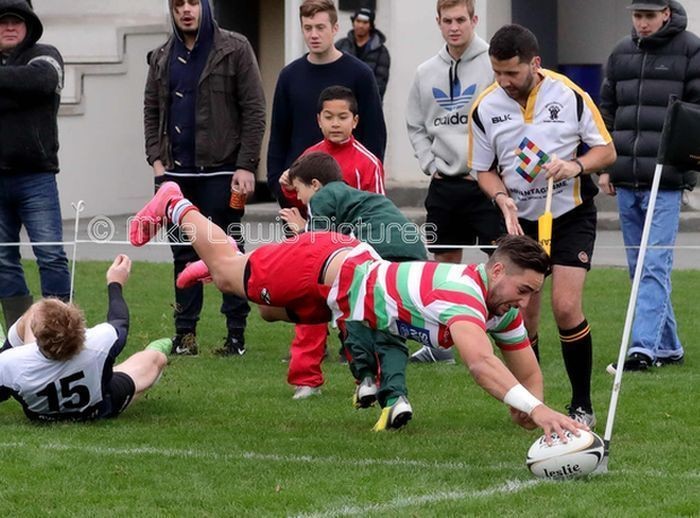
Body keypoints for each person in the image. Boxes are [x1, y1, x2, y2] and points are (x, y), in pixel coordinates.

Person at [129, 181, 589, 441]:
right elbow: (481, 362)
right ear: (495, 270)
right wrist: (541, 412)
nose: (526, 304)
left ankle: (216, 268)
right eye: (523, 289)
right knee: (234, 276)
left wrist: (534, 410)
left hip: (340, 298)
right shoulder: (462, 294)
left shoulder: (501, 309)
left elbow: (526, 369)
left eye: (533, 294)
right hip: (324, 266)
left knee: (268, 311)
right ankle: (175, 202)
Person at [469, 24, 617, 428]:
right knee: (525, 317)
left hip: (569, 215)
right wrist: (501, 199)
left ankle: (582, 405)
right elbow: (483, 170)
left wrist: (575, 165)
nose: (504, 81)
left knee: (566, 307)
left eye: (512, 73)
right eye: (497, 72)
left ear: (534, 63)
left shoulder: (569, 94)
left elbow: (607, 151)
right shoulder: (484, 106)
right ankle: (531, 405)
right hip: (519, 224)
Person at [143, 0, 266, 356]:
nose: (186, 10)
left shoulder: (235, 48)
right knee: (182, 255)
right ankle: (186, 336)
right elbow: (151, 111)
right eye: (178, 3)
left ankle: (236, 336)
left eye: (193, 2)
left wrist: (246, 165)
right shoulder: (162, 55)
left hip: (224, 171)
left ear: (206, 6)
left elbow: (255, 109)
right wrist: (157, 164)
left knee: (230, 252)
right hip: (176, 175)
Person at [280, 152, 427, 424]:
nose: (299, 199)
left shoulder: (323, 196)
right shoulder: (358, 197)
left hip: (377, 253)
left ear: (314, 184)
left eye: (299, 191)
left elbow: (318, 248)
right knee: (389, 327)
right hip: (413, 256)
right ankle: (397, 399)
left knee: (351, 310)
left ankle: (367, 377)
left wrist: (302, 232)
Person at [599, 0, 699, 372]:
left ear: (666, 14)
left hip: (668, 180)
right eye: (636, 16)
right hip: (625, 177)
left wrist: (681, 161)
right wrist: (606, 167)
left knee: (654, 264)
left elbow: (696, 115)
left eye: (649, 16)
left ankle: (642, 349)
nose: (642, 24)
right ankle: (669, 346)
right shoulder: (621, 53)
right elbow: (606, 112)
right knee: (637, 267)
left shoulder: (692, 50)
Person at [405, 0, 504, 363]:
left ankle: (510, 335)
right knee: (444, 265)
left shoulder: (493, 62)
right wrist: (429, 161)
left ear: (474, 20)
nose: (454, 27)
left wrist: (495, 167)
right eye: (447, 20)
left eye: (461, 19)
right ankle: (441, 345)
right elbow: (415, 124)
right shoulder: (425, 71)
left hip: (486, 183)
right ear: (438, 22)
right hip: (444, 185)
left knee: (503, 262)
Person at [277, 86, 386, 400]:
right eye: (329, 117)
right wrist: (287, 185)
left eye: (342, 117)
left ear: (355, 121)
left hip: (352, 256)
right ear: (318, 120)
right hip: (315, 254)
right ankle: (306, 380)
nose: (335, 123)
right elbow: (296, 196)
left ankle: (367, 378)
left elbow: (378, 208)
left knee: (356, 318)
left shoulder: (367, 162)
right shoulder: (309, 157)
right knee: (309, 312)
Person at [0, 255, 171, 422]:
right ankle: (115, 368)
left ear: (37, 335)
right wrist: (115, 282)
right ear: (78, 322)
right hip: (97, 407)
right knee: (156, 358)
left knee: (35, 310)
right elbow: (120, 321)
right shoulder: (99, 341)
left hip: (41, 414)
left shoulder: (11, 362)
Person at [266, 0, 386, 207]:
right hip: (298, 193)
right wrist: (278, 187)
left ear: (335, 28)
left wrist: (366, 188)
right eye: (308, 28)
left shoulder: (360, 74)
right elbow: (279, 134)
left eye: (320, 27)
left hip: (347, 195)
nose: (313, 35)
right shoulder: (289, 76)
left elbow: (374, 134)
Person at [0, 0, 71, 331]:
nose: (10, 26)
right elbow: (27, 86)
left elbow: (41, 82)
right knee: (2, 261)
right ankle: (21, 335)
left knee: (51, 256)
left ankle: (59, 331)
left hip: (36, 178)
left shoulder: (47, 54)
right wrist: (19, 87)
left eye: (16, 20)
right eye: (2, 22)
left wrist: (19, 85)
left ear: (28, 25)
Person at [335, 7, 391, 100]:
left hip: (368, 104)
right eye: (358, 21)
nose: (361, 25)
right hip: (341, 103)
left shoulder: (381, 52)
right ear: (353, 22)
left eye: (365, 22)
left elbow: (380, 84)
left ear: (371, 25)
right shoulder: (341, 45)